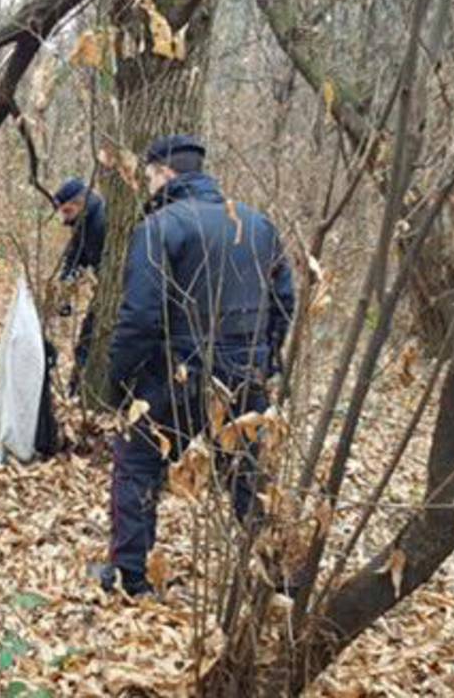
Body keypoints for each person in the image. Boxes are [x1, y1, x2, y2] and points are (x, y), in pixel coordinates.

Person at [96, 134, 295, 597]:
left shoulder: (160, 226)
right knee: (247, 475)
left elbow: (140, 315)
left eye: (148, 176)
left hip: (177, 373)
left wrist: (119, 380)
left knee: (138, 462)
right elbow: (284, 301)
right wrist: (266, 358)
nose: (147, 185)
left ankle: (130, 578)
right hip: (247, 372)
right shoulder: (257, 224)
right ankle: (276, 580)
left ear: (165, 172)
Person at [53, 178, 106, 393]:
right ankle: (75, 394)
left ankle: (81, 394)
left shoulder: (103, 220)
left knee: (90, 345)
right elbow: (74, 258)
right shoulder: (83, 225)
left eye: (67, 211)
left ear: (81, 203)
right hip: (104, 295)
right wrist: (65, 291)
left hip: (123, 297)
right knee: (85, 345)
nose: (64, 219)